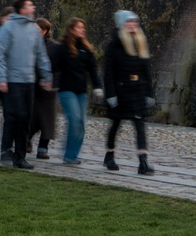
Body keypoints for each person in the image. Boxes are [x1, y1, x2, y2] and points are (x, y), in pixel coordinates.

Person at [0, 0, 53, 169]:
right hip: (12, 81)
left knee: (26, 118)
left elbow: (41, 55)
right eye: (29, 5)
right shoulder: (8, 28)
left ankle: (20, 157)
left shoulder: (33, 31)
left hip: (29, 81)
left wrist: (46, 75)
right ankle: (6, 150)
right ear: (21, 9)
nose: (33, 7)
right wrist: (2, 78)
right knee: (14, 116)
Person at [101, 10, 155, 174]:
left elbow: (146, 71)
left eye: (134, 22)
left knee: (140, 126)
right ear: (122, 24)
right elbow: (108, 72)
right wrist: (111, 95)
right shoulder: (114, 45)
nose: (132, 25)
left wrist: (149, 93)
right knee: (115, 125)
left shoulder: (140, 43)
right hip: (120, 92)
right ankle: (109, 155)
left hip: (137, 91)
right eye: (128, 22)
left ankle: (143, 162)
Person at [54, 18, 99, 165]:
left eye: (83, 27)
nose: (82, 30)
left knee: (81, 124)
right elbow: (54, 65)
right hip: (66, 89)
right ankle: (69, 155)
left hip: (81, 90)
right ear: (72, 29)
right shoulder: (62, 47)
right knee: (74, 120)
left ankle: (73, 153)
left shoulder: (86, 49)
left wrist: (98, 86)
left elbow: (93, 69)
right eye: (79, 27)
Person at [34, 18, 62, 159]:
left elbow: (58, 68)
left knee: (47, 119)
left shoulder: (53, 47)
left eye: (38, 30)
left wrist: (53, 83)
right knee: (33, 118)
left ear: (45, 31)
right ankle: (27, 139)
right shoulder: (29, 44)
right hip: (32, 85)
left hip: (48, 87)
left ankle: (43, 147)